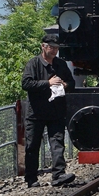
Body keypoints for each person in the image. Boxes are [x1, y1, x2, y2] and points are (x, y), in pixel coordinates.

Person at [21, 36, 76, 187]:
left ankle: (58, 175)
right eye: (51, 47)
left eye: (56, 48)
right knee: (32, 146)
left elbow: (72, 83)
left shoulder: (61, 64)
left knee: (57, 144)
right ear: (43, 47)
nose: (54, 50)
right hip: (36, 113)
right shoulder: (33, 64)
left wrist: (65, 85)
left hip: (56, 112)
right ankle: (31, 178)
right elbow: (26, 83)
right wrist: (48, 83)